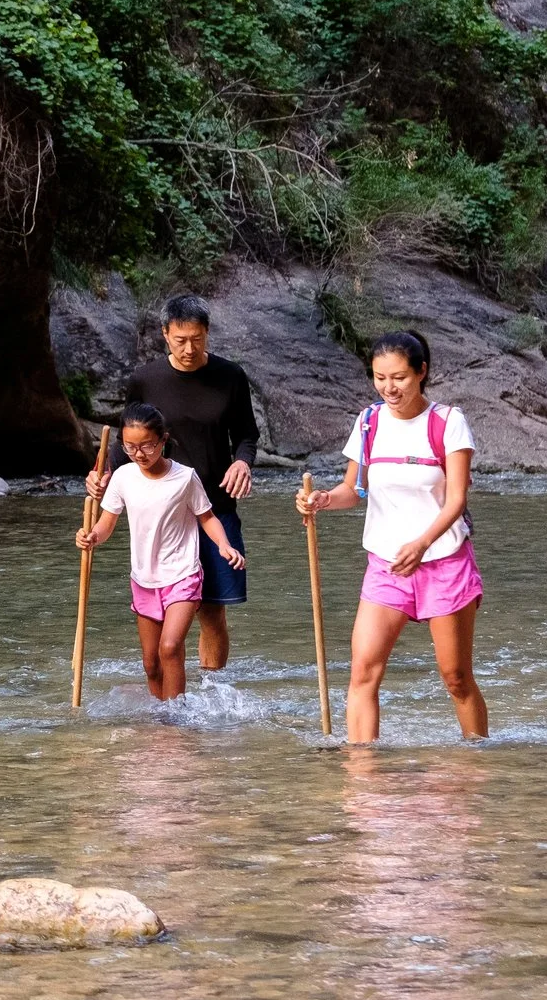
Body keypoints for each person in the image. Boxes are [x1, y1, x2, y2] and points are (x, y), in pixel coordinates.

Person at [294, 329, 486, 742]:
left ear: (421, 373)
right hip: (386, 565)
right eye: (380, 377)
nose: (388, 387)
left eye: (398, 377)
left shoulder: (448, 423)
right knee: (363, 671)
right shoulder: (368, 422)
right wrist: (323, 500)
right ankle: (362, 776)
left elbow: (456, 500)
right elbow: (353, 490)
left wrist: (421, 544)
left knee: (455, 677)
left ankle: (478, 762)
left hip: (443, 562)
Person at [85, 294, 259, 673]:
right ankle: (168, 704)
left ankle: (212, 695)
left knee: (212, 611)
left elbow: (246, 434)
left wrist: (243, 462)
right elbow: (127, 438)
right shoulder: (146, 379)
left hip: (214, 505)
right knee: (162, 624)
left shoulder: (230, 376)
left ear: (207, 333)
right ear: (165, 334)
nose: (189, 348)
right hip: (161, 510)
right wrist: (104, 473)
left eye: (197, 338)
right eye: (180, 339)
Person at [77, 403, 248, 699]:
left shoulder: (184, 477)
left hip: (182, 575)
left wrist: (224, 545)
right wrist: (91, 537)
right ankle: (161, 718)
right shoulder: (123, 477)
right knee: (151, 663)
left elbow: (207, 517)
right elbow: (106, 523)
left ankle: (175, 721)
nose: (139, 454)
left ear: (164, 440)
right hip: (144, 579)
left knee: (169, 648)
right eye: (130, 447)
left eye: (147, 445)